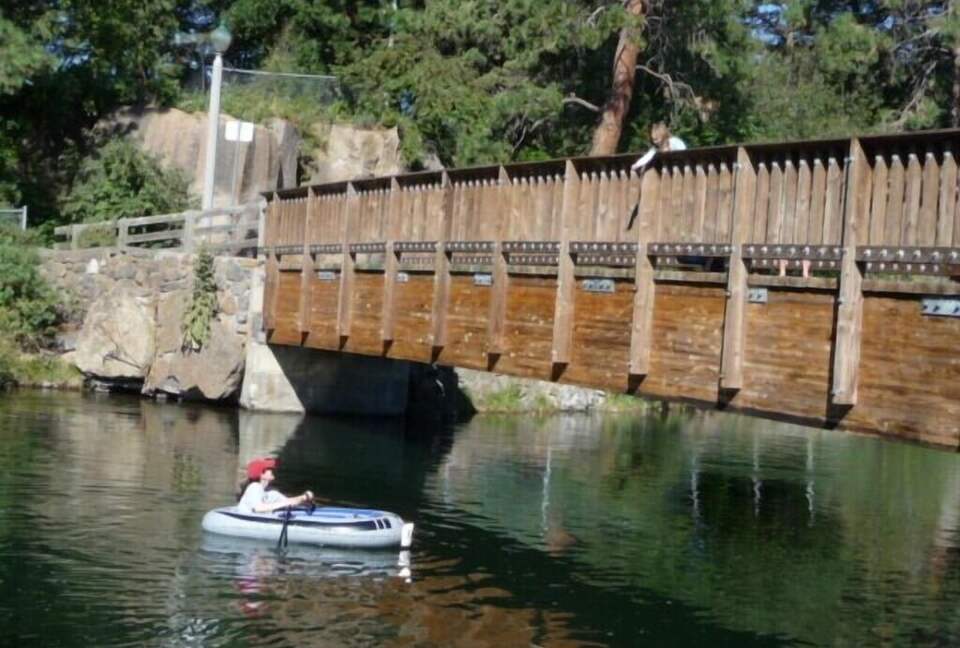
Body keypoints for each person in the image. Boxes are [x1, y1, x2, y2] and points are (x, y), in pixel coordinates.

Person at [236, 457, 313, 514]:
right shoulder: (254, 487)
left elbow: (288, 502)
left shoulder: (271, 492)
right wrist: (285, 503)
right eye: (270, 468)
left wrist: (303, 498)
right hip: (245, 522)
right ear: (262, 474)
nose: (273, 469)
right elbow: (258, 508)